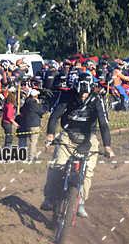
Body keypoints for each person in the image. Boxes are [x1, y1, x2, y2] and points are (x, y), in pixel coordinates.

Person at [41, 71, 114, 218]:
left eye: (85, 93)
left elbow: (104, 124)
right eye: (80, 93)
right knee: (57, 165)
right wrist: (50, 135)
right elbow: (54, 116)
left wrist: (107, 146)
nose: (83, 96)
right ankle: (49, 197)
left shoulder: (97, 99)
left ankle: (80, 202)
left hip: (89, 138)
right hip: (68, 135)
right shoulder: (67, 96)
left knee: (88, 172)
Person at [17, 88, 46, 160]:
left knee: (29, 141)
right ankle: (31, 156)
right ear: (35, 96)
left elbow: (21, 110)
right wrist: (39, 103)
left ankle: (31, 155)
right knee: (33, 141)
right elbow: (42, 111)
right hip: (34, 124)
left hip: (26, 124)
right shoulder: (34, 104)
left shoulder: (26, 103)